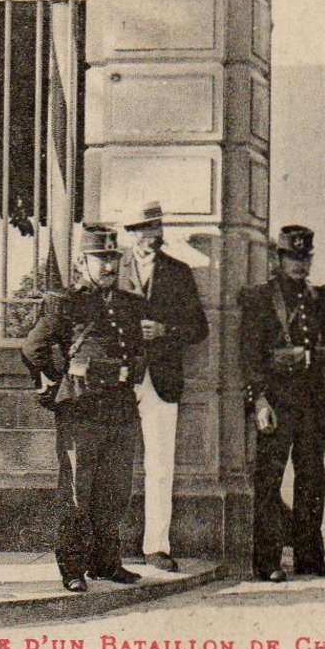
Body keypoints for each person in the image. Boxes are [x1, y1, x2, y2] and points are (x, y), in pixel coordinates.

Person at [21, 223, 147, 593]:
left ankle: (106, 563)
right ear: (81, 261)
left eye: (113, 258)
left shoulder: (128, 304)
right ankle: (72, 567)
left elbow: (137, 349)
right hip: (82, 410)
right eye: (100, 259)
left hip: (121, 409)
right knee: (77, 493)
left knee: (114, 492)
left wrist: (131, 369)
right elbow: (32, 348)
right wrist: (64, 374)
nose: (109, 266)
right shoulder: (66, 303)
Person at [240, 225, 325, 582]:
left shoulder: (319, 300)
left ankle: (310, 557)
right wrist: (259, 401)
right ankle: (267, 561)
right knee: (269, 480)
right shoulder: (260, 299)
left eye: (305, 258)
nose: (300, 265)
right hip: (278, 402)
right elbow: (250, 355)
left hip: (313, 404)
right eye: (293, 258)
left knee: (312, 480)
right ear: (278, 259)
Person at [118, 201, 210, 572]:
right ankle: (110, 544)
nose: (150, 233)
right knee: (114, 462)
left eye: (155, 225)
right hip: (120, 379)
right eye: (142, 227)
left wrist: (165, 331)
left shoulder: (178, 272)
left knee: (159, 465)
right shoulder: (114, 267)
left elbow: (199, 328)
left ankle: (156, 546)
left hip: (162, 379)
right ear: (130, 232)